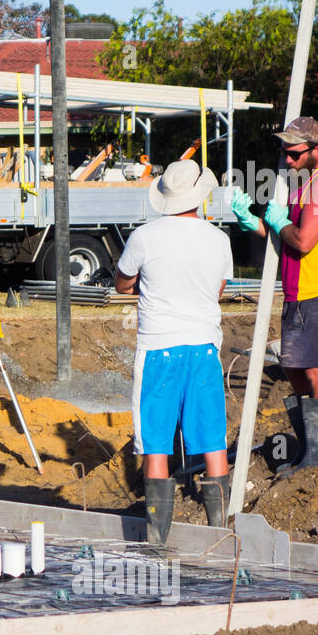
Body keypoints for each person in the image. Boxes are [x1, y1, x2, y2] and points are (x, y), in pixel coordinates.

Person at [114, 160, 233, 546]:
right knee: (212, 440)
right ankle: (220, 533)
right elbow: (218, 289)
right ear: (198, 197)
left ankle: (157, 540)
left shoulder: (145, 237)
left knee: (156, 444)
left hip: (159, 349)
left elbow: (122, 283)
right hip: (204, 348)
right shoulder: (218, 239)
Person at [231, 116, 318, 473]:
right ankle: (308, 449)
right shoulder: (303, 184)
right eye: (284, 151)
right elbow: (279, 235)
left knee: (317, 371)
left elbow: (303, 239)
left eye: (295, 151)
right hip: (297, 294)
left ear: (316, 148)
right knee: (296, 371)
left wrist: (281, 222)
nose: (288, 158)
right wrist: (252, 221)